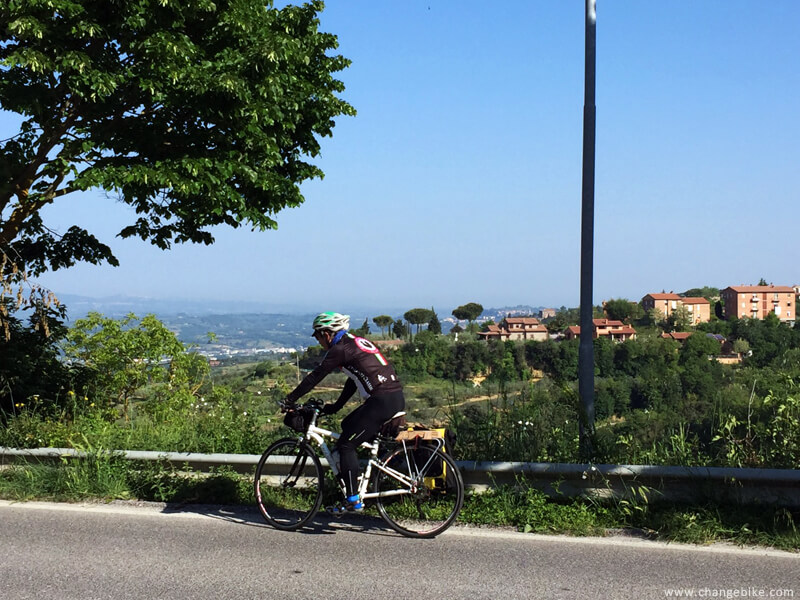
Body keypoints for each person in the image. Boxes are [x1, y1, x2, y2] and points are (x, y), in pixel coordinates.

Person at [284, 311, 405, 513]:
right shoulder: (355, 342)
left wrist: (290, 399)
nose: (318, 340)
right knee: (347, 425)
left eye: (318, 335)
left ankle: (352, 499)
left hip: (380, 401)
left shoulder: (339, 349)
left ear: (327, 333)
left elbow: (315, 376)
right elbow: (353, 378)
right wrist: (338, 406)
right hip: (393, 397)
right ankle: (371, 470)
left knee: (346, 445)